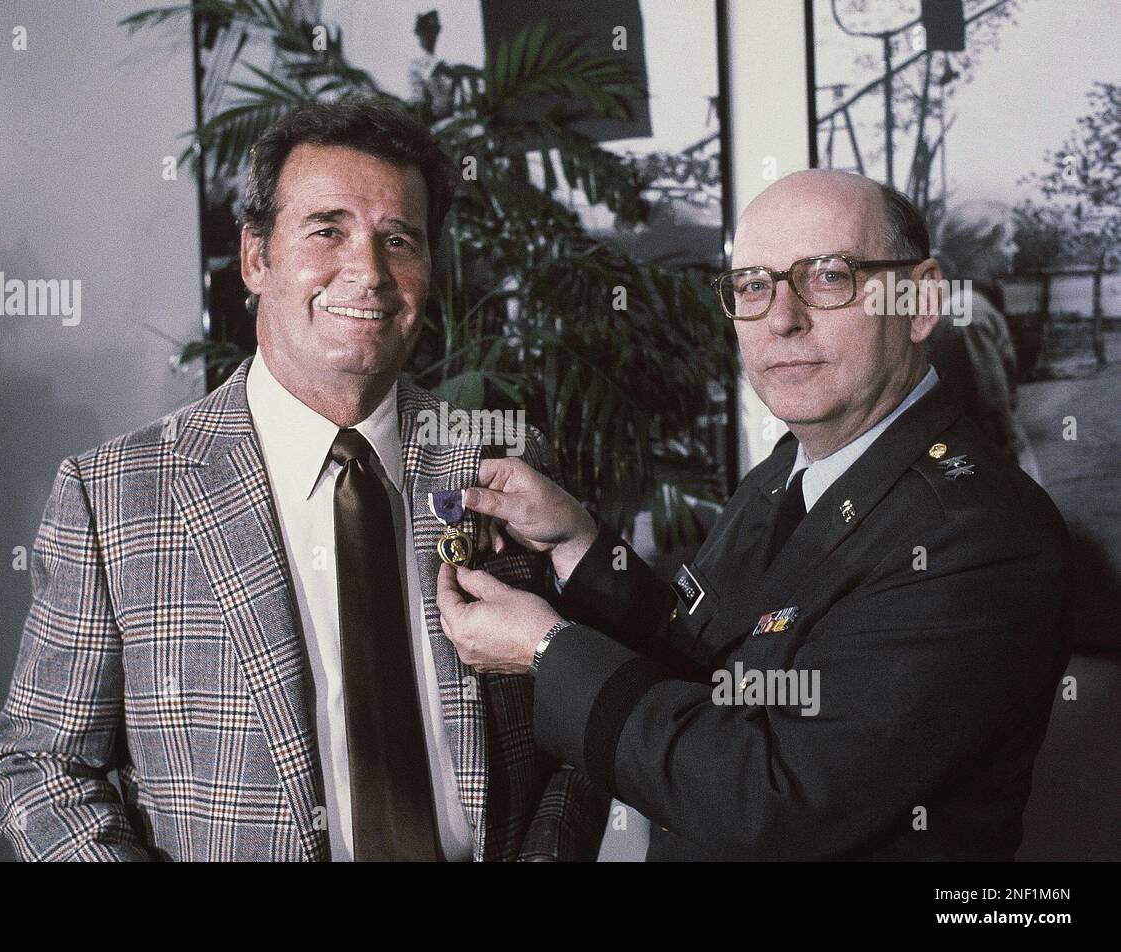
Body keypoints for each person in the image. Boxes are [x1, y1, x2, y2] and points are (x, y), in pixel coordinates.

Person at [0, 99, 606, 862]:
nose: (367, 272)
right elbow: (42, 764)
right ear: (255, 258)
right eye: (326, 229)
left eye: (398, 239)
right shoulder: (115, 496)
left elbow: (583, 708)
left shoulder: (502, 458)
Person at [436, 170, 1071, 860]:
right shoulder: (789, 468)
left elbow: (773, 797)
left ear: (919, 302)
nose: (780, 317)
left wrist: (545, 651)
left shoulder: (980, 535)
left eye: (828, 276)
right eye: (753, 285)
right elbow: (709, 664)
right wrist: (578, 543)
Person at [928, 200, 1042, 482]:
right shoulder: (970, 312)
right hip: (990, 466)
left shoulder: (970, 302)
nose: (1014, 250)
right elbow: (990, 411)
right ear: (980, 250)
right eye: (1007, 243)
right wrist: (1016, 479)